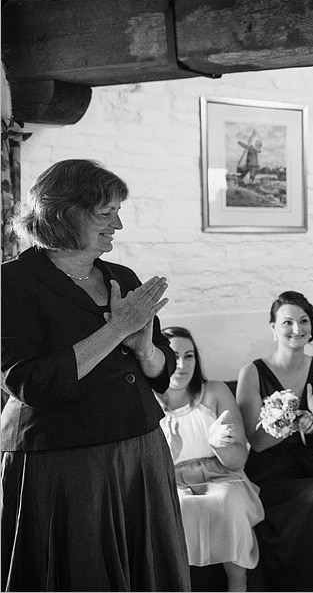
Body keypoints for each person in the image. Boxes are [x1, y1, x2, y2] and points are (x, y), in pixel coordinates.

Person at [0, 159, 190, 591]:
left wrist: (145, 351)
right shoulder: (10, 283)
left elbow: (162, 374)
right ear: (65, 214)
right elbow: (31, 383)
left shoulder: (121, 277)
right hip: (64, 461)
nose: (118, 224)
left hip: (139, 449)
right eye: (106, 214)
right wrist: (117, 329)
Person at [236, 291, 313, 591]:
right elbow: (254, 442)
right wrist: (287, 422)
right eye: (288, 322)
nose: (297, 329)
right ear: (273, 327)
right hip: (271, 464)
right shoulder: (252, 373)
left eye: (304, 321)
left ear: (312, 326)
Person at [155, 326, 265, 592]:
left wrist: (220, 446)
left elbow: (237, 460)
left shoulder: (215, 391)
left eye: (189, 356)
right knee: (180, 508)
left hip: (221, 474)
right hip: (170, 479)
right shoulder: (147, 400)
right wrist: (172, 451)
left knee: (228, 502)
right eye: (174, 356)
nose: (181, 364)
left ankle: (237, 583)